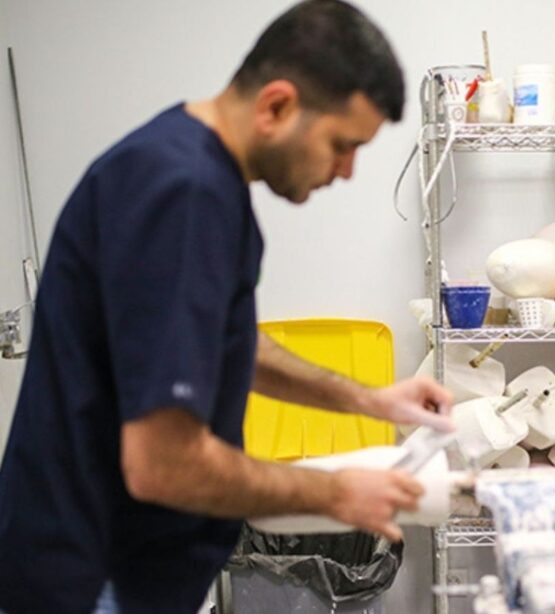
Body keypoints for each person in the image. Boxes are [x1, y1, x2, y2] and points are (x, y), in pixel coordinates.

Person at [0, 2, 453, 613]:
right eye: (341, 145)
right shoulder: (180, 193)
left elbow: (228, 341)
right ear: (276, 106)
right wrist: (336, 494)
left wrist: (369, 400)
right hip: (87, 578)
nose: (346, 171)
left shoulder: (198, 174)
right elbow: (163, 465)